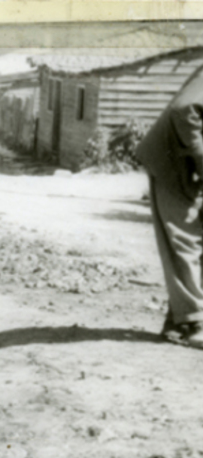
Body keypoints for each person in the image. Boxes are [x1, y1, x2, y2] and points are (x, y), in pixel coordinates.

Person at [136, 66, 203, 348]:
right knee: (185, 239)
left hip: (190, 168)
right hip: (172, 162)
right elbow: (183, 109)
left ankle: (178, 321)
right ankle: (193, 323)